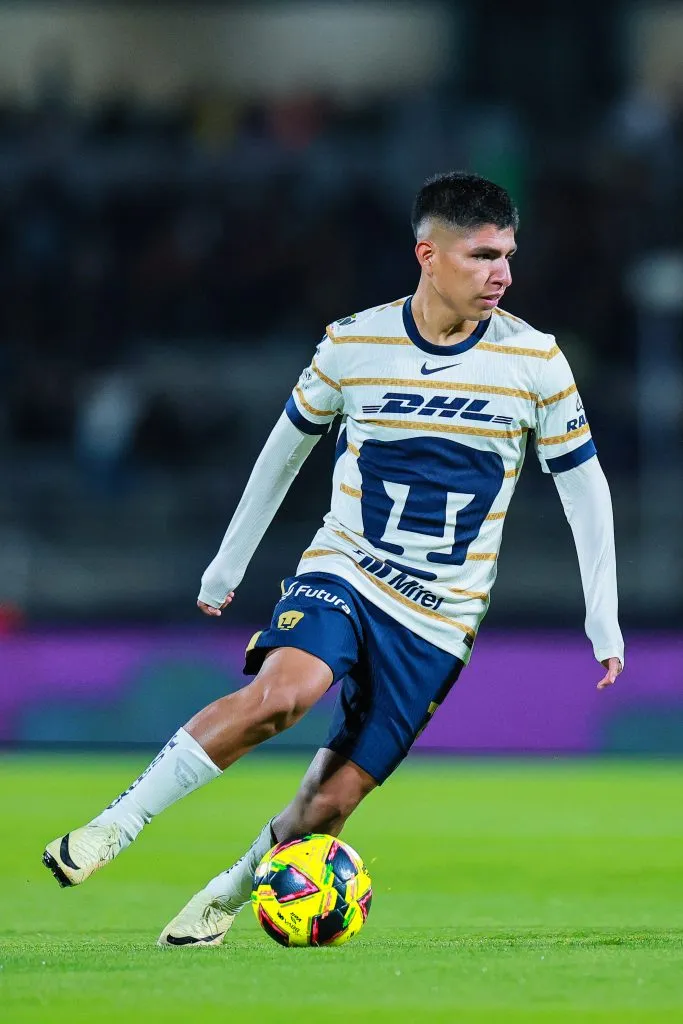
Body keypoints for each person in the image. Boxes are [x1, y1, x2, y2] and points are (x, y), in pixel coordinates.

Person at [43, 172, 624, 945]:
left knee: (327, 808)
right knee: (285, 695)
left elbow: (585, 487)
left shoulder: (536, 363)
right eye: (484, 256)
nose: (503, 275)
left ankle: (224, 893)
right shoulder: (354, 344)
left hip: (441, 619)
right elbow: (281, 454)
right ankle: (112, 828)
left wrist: (602, 616)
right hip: (346, 569)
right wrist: (228, 565)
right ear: (428, 254)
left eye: (508, 256)